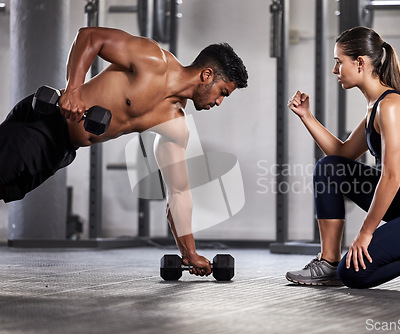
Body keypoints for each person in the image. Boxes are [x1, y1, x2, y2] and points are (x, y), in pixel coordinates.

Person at [0, 27, 248, 277]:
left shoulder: (175, 124)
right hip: (45, 121)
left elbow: (179, 193)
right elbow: (89, 37)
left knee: (8, 188)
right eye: (222, 93)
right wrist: (73, 89)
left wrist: (189, 253)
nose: (219, 102)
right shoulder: (153, 61)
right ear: (207, 75)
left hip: (61, 148)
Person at [285, 26, 400, 290]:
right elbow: (342, 154)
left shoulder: (390, 106)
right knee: (329, 168)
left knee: (354, 274)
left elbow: (390, 178)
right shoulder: (375, 107)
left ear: (359, 63)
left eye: (338, 62)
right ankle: (328, 263)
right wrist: (307, 116)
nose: (335, 71)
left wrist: (366, 233)